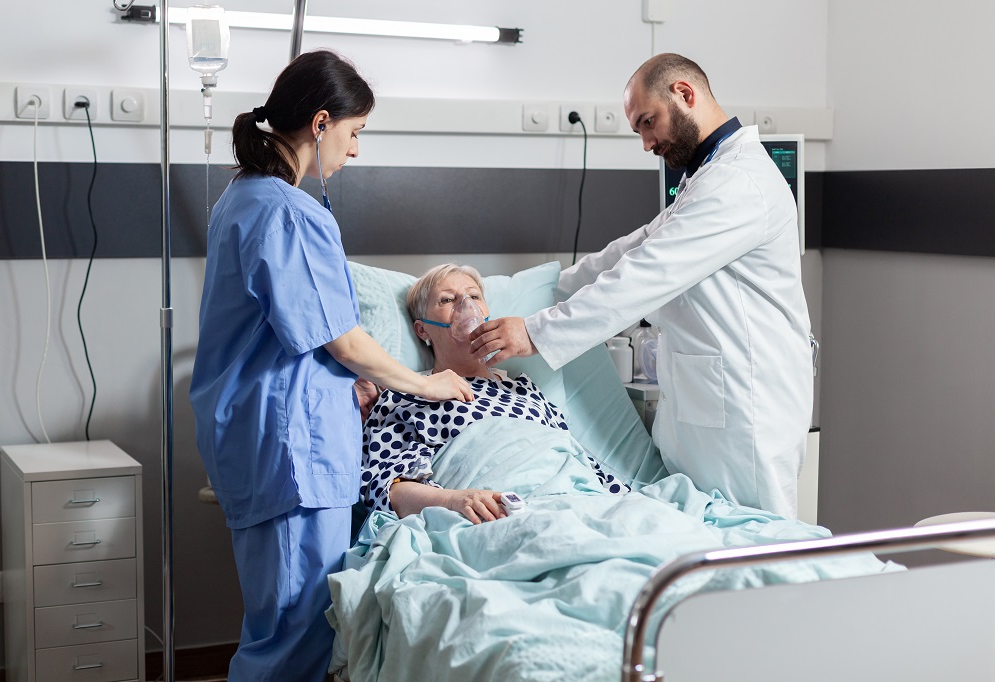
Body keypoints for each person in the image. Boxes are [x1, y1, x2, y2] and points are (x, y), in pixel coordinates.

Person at [188, 51, 473, 682]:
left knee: (279, 624)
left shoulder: (241, 198)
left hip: (265, 433)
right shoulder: (286, 210)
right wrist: (425, 382)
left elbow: (291, 330)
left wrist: (350, 379)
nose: (356, 150)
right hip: (293, 449)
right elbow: (341, 339)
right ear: (321, 122)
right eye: (355, 132)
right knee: (293, 634)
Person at [469, 53, 813, 519]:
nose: (648, 142)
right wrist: (535, 288)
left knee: (752, 546)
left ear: (684, 95)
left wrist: (534, 332)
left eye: (648, 122)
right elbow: (630, 250)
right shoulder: (707, 177)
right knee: (700, 540)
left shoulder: (740, 183)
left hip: (745, 411)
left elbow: (646, 273)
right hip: (708, 405)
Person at [361, 264, 629, 523]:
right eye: (446, 300)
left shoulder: (525, 390)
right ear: (422, 330)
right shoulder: (407, 395)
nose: (466, 305)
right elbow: (387, 488)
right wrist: (455, 500)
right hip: (500, 513)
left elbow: (580, 462)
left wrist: (621, 505)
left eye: (474, 295)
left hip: (577, 503)